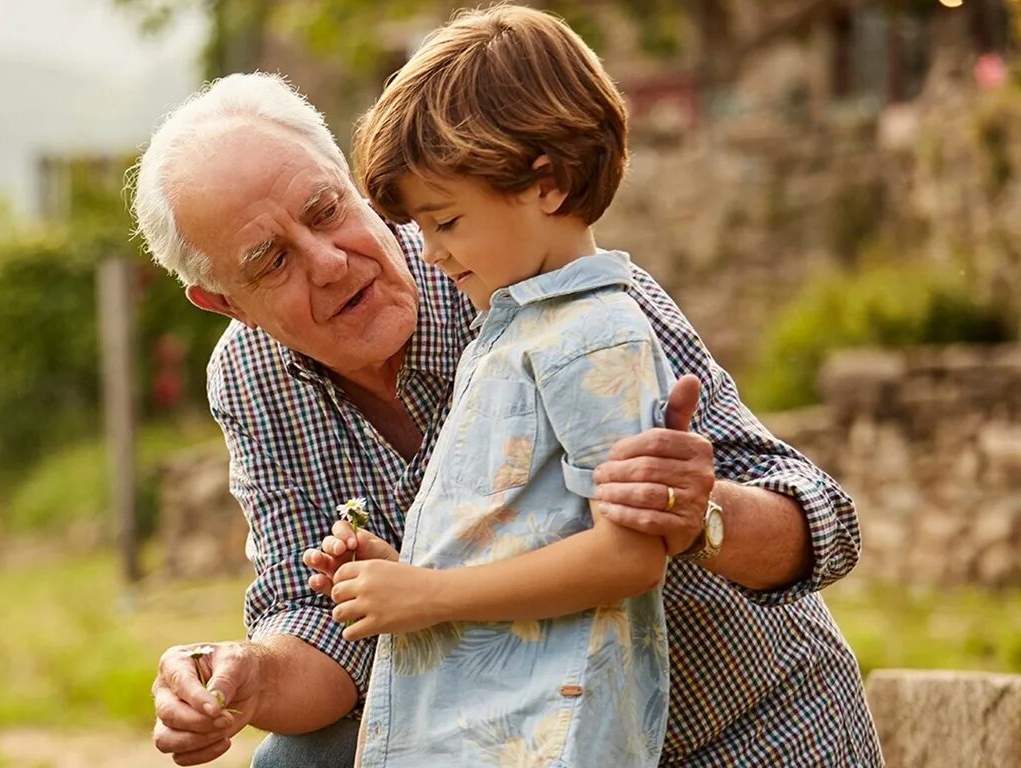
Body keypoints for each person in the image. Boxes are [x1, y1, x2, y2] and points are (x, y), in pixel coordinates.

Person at [132, 63, 880, 768]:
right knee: (301, 758)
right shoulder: (251, 375)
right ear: (224, 302)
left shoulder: (543, 284)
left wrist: (699, 513)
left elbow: (825, 527)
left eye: (326, 211)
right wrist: (245, 682)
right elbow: (324, 621)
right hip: (532, 747)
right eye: (272, 261)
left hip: (740, 731)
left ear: (356, 187)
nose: (328, 262)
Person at [317, 6, 681, 763]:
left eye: (446, 221)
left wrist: (430, 598)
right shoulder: (515, 326)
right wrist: (403, 573)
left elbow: (630, 557)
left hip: (545, 738)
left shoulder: (595, 336)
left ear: (544, 184)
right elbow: (525, 525)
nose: (432, 253)